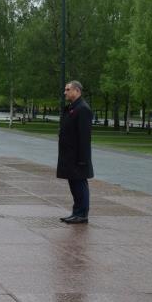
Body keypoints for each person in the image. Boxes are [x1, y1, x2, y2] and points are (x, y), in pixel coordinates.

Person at [58, 80, 93, 223]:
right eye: (65, 89)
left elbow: (84, 137)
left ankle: (82, 214)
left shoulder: (83, 109)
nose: (65, 92)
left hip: (78, 157)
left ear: (77, 91)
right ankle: (76, 212)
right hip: (70, 156)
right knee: (74, 185)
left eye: (68, 90)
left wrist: (83, 159)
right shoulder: (73, 107)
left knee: (80, 185)